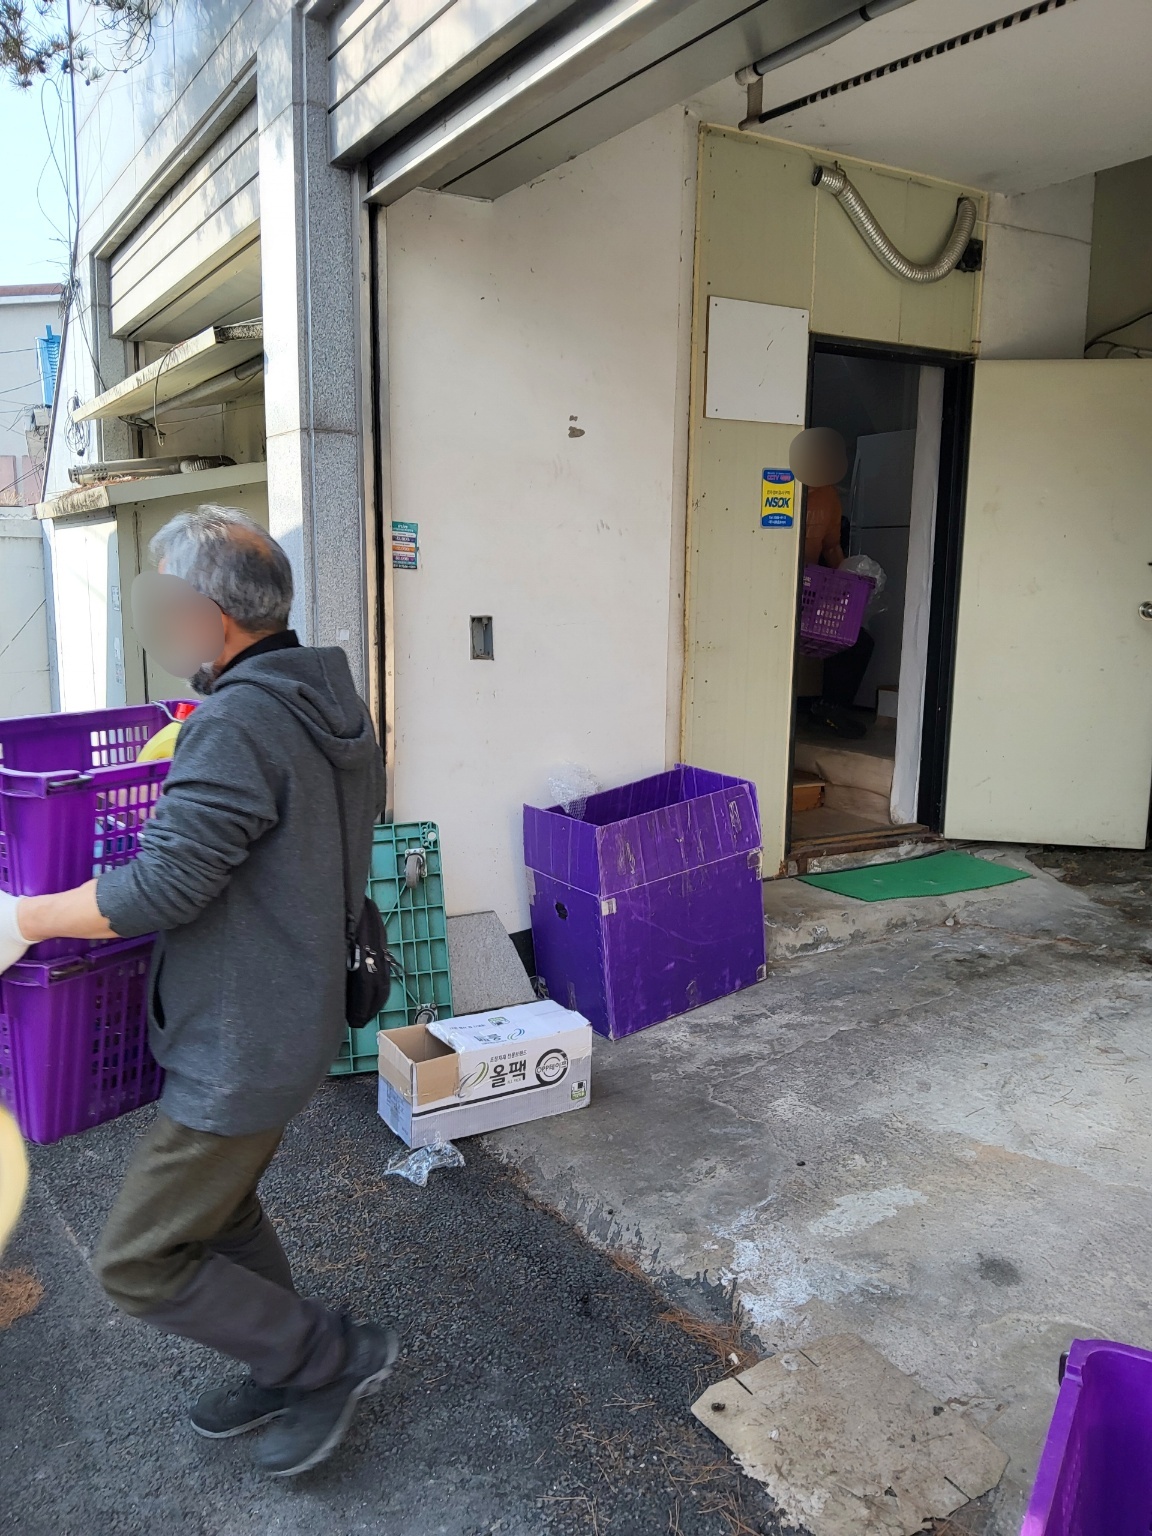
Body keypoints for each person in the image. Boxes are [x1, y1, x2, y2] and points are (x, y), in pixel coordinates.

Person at [0, 506, 393, 1478]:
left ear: (211, 618)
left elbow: (163, 886)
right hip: (294, 1010)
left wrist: (24, 919)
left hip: (240, 1039)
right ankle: (285, 1361)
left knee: (136, 1261)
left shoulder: (238, 723)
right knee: (221, 1212)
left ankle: (323, 1356)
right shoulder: (325, 701)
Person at [790, 427, 875, 740]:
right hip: (775, 586)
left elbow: (831, 547)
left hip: (809, 591)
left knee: (856, 641)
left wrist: (848, 585)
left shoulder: (828, 496)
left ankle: (829, 709)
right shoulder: (781, 485)